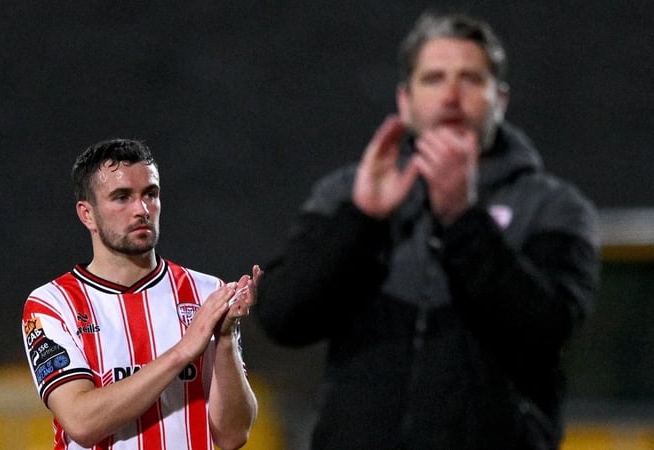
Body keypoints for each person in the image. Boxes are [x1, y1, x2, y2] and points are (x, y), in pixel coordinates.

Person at [256, 12, 599, 450]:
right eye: (433, 78)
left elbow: (549, 331)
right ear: (405, 99)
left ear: (501, 99)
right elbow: (282, 317)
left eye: (471, 79)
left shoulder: (554, 208)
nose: (451, 96)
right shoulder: (349, 191)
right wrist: (361, 220)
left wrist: (462, 218)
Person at [21, 138, 261, 450]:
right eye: (122, 197)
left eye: (150, 194)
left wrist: (225, 340)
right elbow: (82, 422)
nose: (142, 209)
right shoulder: (52, 304)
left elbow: (232, 435)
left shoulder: (207, 293)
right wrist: (182, 352)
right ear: (87, 214)